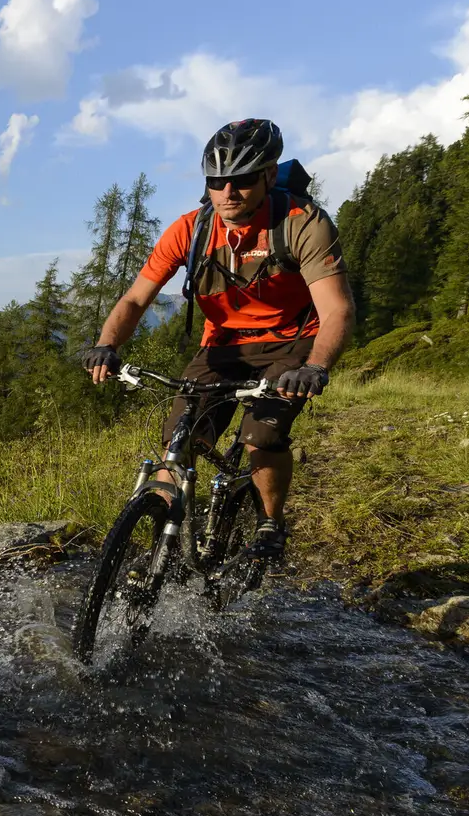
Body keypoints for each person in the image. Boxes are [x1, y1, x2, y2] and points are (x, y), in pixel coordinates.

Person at [80, 118, 354, 562]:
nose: (228, 191)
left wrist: (316, 367)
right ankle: (160, 554)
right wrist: (107, 344)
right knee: (178, 442)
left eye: (242, 179)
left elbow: (338, 309)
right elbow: (134, 299)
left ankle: (270, 521)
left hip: (292, 342)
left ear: (268, 175)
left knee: (261, 435)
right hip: (223, 344)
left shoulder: (303, 224)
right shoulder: (191, 230)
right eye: (216, 181)